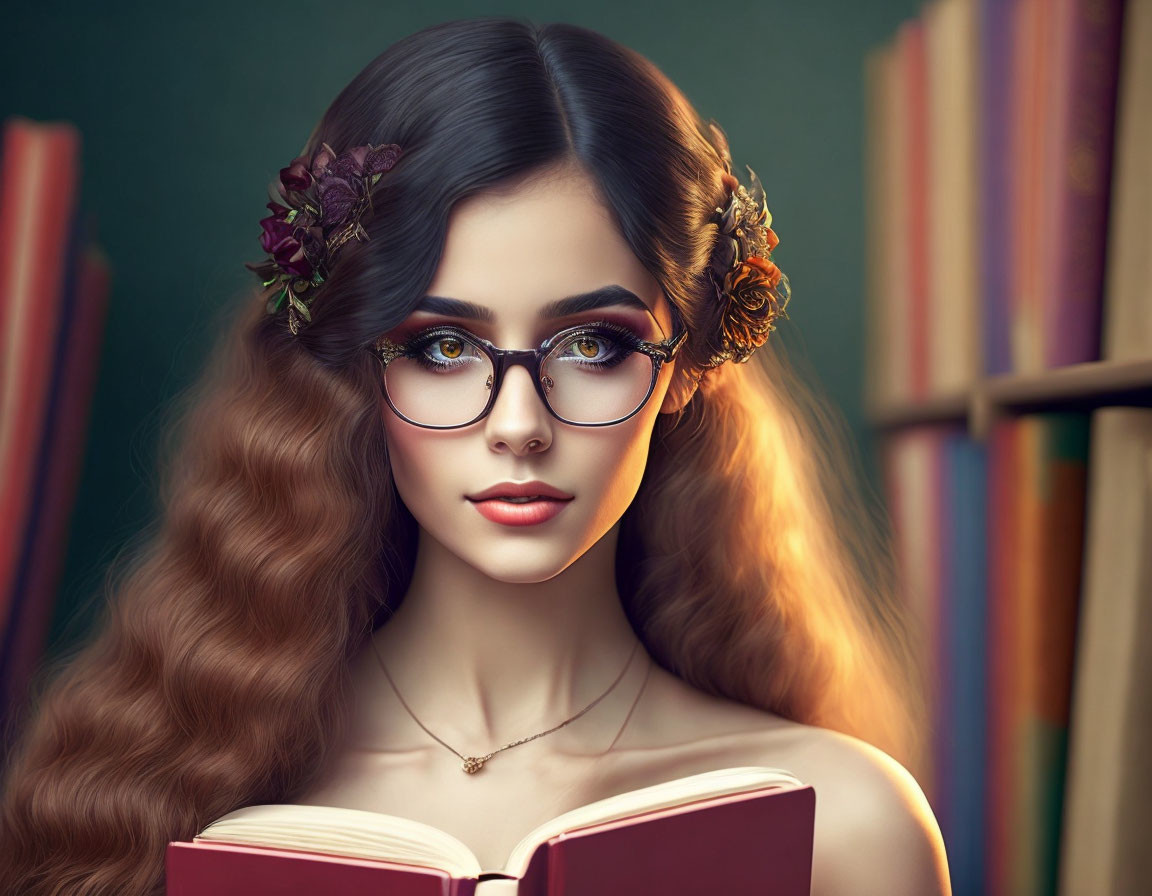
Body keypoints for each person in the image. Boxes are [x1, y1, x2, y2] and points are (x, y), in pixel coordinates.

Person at [0, 17, 950, 895]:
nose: (519, 423)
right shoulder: (177, 815)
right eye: (442, 348)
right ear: (351, 370)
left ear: (690, 366)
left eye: (595, 344)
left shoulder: (845, 826)